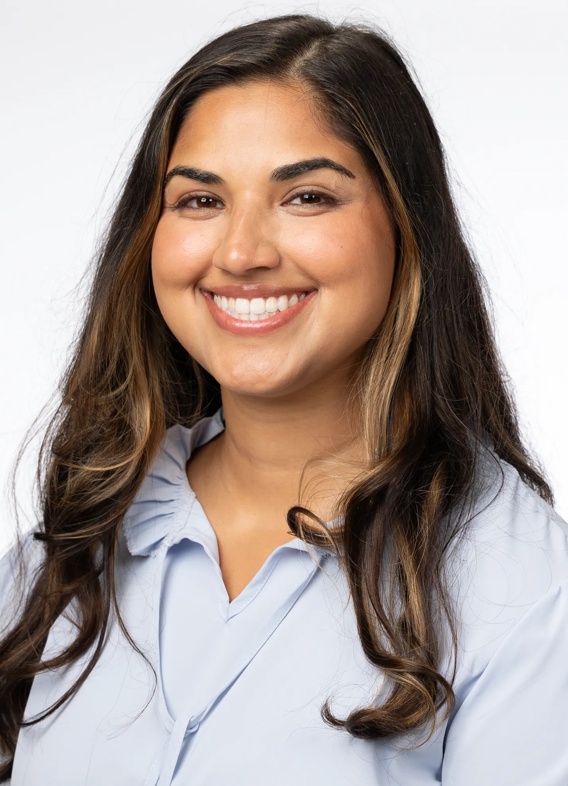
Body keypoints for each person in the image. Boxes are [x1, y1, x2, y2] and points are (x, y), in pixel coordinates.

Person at [1, 13, 567, 785]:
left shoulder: (527, 593)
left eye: (305, 196)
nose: (241, 254)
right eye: (200, 202)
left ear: (407, 224)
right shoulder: (66, 553)